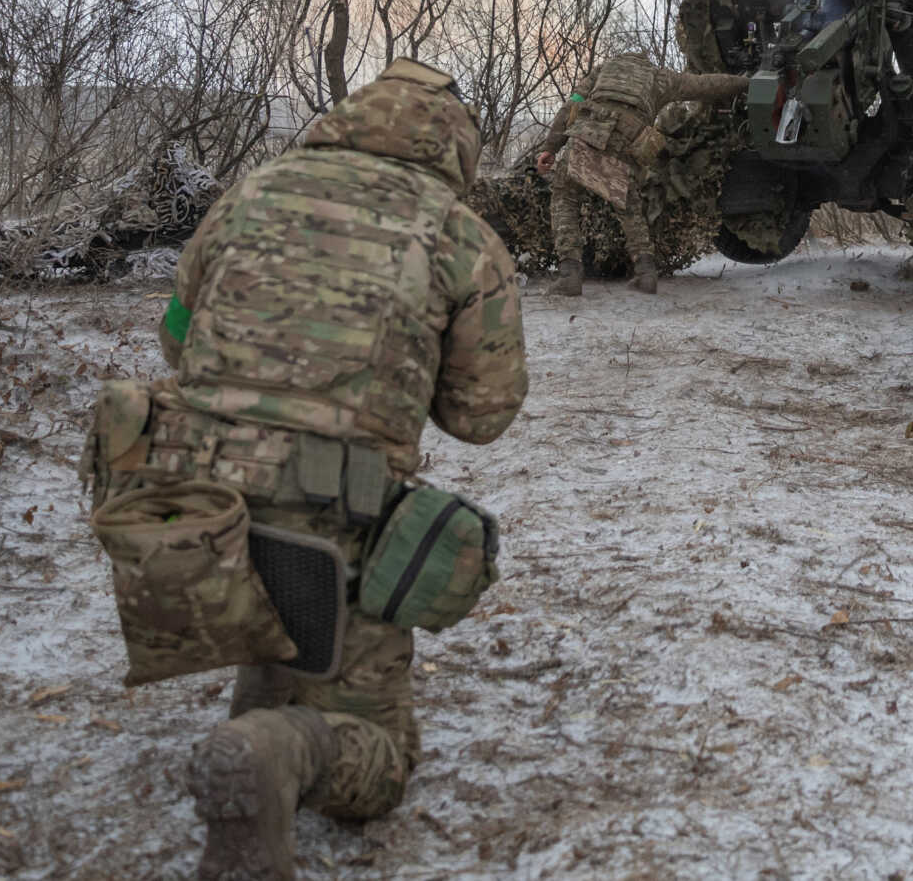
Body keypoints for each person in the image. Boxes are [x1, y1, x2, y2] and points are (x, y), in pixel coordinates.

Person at [109, 59, 524, 880]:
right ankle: (277, 749)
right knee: (381, 758)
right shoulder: (458, 235)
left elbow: (177, 337)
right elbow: (484, 413)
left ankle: (263, 702)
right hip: (329, 518)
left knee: (276, 539)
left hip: (191, 508)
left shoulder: (253, 191)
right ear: (456, 151)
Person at [532, 51, 748, 296]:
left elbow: (573, 103)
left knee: (565, 195)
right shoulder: (660, 77)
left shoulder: (603, 69)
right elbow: (705, 85)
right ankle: (646, 273)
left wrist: (550, 148)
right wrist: (746, 82)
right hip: (629, 139)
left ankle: (569, 274)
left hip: (588, 131)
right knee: (628, 205)